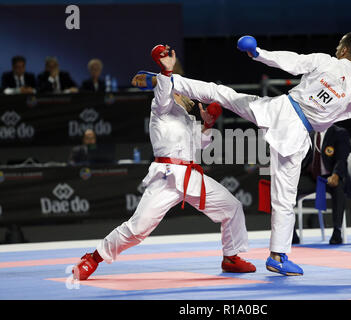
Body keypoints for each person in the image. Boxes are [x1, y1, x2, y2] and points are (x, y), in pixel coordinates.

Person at [145, 32, 351, 276]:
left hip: (279, 110)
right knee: (284, 198)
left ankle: (169, 82)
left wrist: (257, 53)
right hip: (296, 132)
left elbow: (292, 61)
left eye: (339, 45)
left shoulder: (326, 62)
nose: (336, 48)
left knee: (223, 93)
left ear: (345, 49)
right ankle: (277, 256)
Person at [72, 45, 256, 280]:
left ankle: (231, 257)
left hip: (191, 176)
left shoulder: (187, 119)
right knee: (138, 229)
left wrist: (207, 124)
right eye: (179, 92)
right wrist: (166, 71)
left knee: (232, 207)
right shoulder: (160, 109)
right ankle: (93, 258)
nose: (185, 97)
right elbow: (164, 91)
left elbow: (200, 144)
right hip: (167, 177)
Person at [292, 124, 351, 245]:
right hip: (312, 178)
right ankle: (291, 234)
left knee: (338, 188)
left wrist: (336, 175)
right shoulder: (309, 134)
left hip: (330, 176)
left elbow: (341, 159)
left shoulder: (339, 132)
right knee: (288, 188)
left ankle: (337, 231)